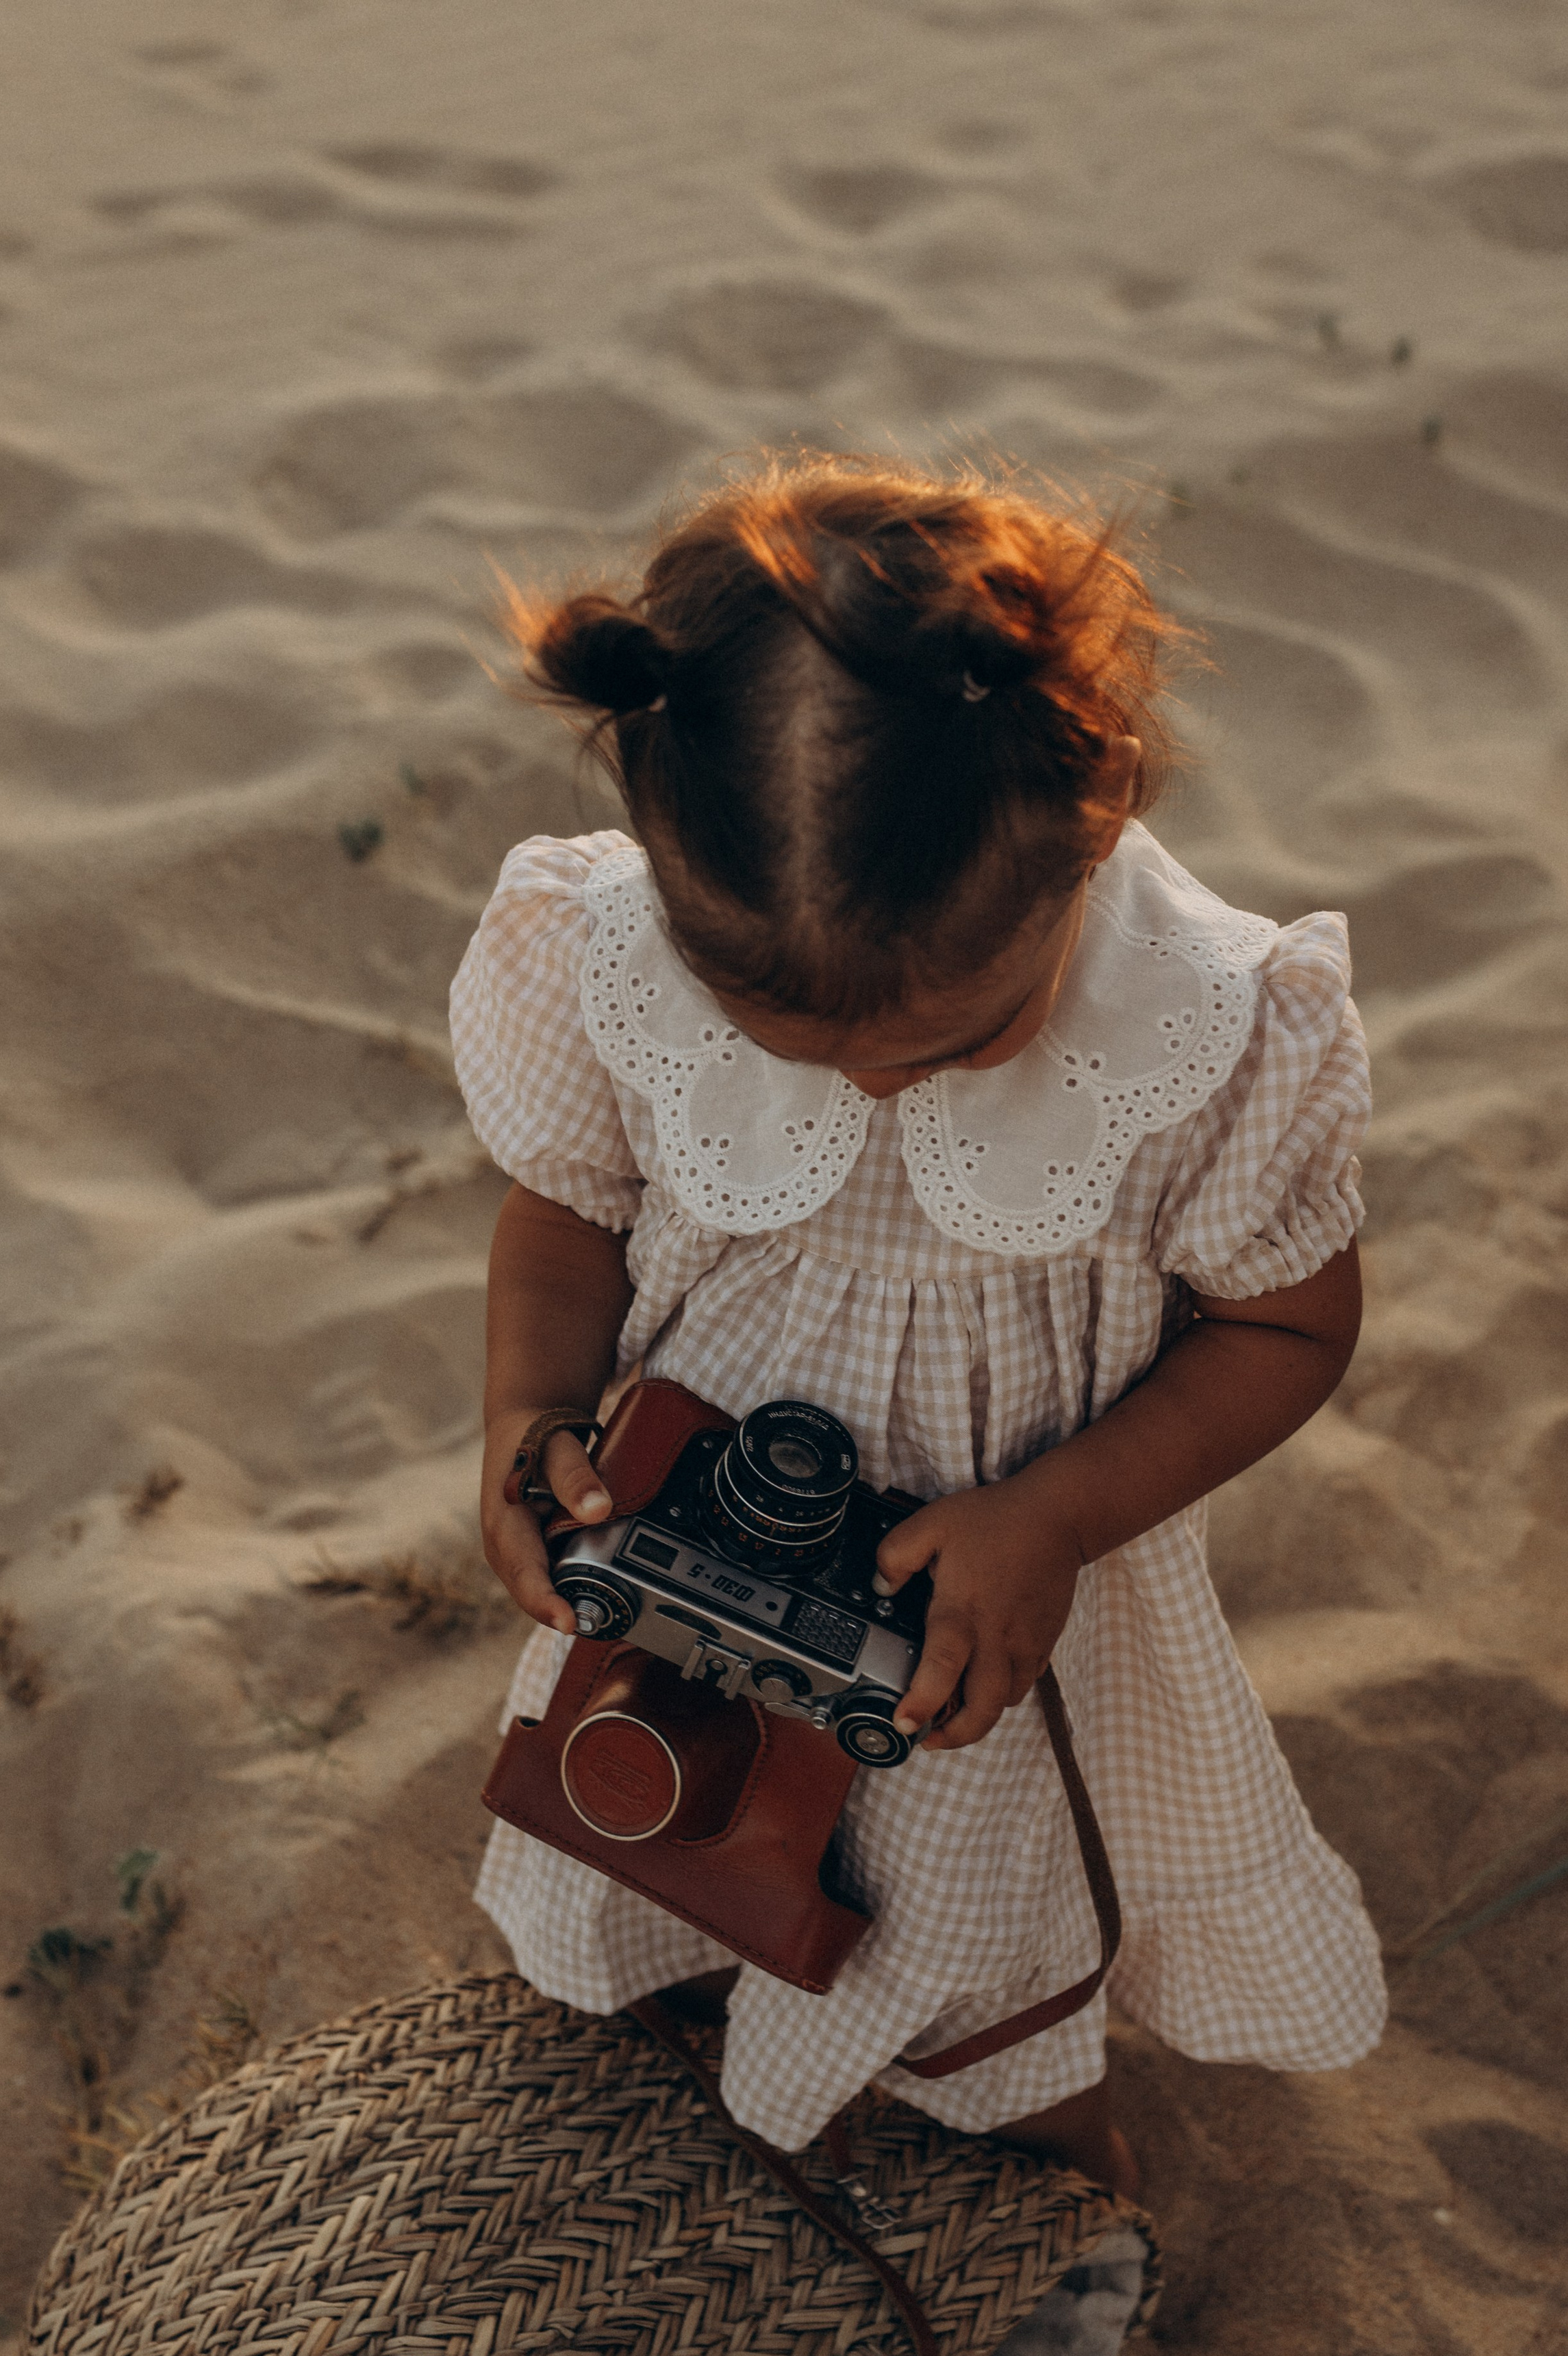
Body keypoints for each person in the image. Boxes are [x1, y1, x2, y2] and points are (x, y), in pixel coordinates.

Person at [448, 455, 1385, 2199]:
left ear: (1094, 809)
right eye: (786, 1045)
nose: (876, 1087)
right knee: (658, 1833)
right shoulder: (601, 953)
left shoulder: (1203, 1039)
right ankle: (701, 2046)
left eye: (952, 1044)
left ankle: (1053, 2194)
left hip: (975, 1636)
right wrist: (526, 1412)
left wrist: (1057, 1516)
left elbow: (1284, 1330)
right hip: (690, 1560)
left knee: (976, 1955)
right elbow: (569, 1209)